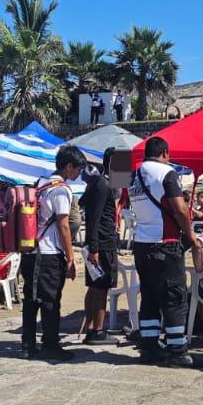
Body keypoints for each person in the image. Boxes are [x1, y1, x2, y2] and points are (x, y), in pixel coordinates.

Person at [129, 136, 203, 368]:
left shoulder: (133, 175)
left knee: (149, 297)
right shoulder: (166, 172)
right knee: (174, 298)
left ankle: (149, 348)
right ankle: (177, 351)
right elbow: (180, 209)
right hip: (165, 244)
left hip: (141, 245)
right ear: (165, 153)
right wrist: (190, 234)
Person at [19, 145, 86, 361]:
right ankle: (49, 345)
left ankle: (28, 344)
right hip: (47, 253)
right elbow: (63, 225)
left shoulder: (40, 184)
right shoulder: (61, 190)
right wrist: (70, 256)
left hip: (31, 250)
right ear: (69, 166)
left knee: (32, 299)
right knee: (50, 300)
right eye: (78, 169)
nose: (79, 174)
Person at [80, 148, 119, 346]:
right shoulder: (103, 185)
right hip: (102, 243)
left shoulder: (98, 184)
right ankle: (98, 330)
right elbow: (94, 219)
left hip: (99, 242)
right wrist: (94, 247)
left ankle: (90, 329)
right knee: (102, 287)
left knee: (94, 286)